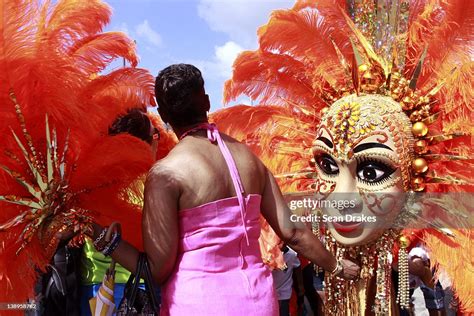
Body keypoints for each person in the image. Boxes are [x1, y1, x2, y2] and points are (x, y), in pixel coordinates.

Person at [83, 64, 359, 315]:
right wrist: (336, 266)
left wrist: (103, 239)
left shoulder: (166, 173)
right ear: (206, 100)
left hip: (197, 302)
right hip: (258, 302)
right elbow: (294, 234)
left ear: (163, 115)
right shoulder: (250, 159)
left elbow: (156, 270)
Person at [80, 108, 160, 315]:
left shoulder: (88, 183)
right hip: (139, 289)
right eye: (155, 135)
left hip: (95, 287)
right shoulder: (156, 185)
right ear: (144, 143)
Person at [272, 246, 303, 316]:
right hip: (271, 293)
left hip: (284, 294)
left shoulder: (291, 255)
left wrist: (301, 287)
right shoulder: (268, 254)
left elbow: (298, 268)